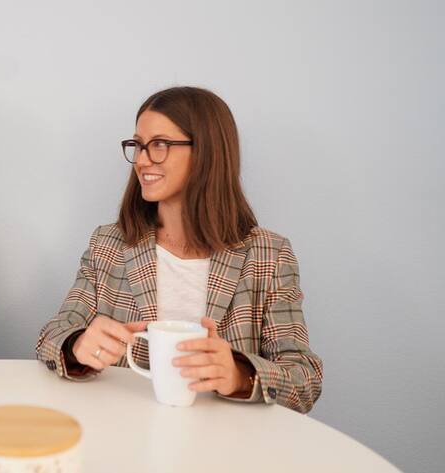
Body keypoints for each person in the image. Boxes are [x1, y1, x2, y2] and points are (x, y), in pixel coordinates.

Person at [36, 87, 322, 413]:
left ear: (207, 152)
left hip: (226, 446)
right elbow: (50, 337)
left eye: (159, 145)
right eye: (138, 145)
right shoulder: (109, 244)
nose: (142, 160)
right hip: (124, 432)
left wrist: (239, 374)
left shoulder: (268, 255)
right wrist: (77, 345)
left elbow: (305, 379)